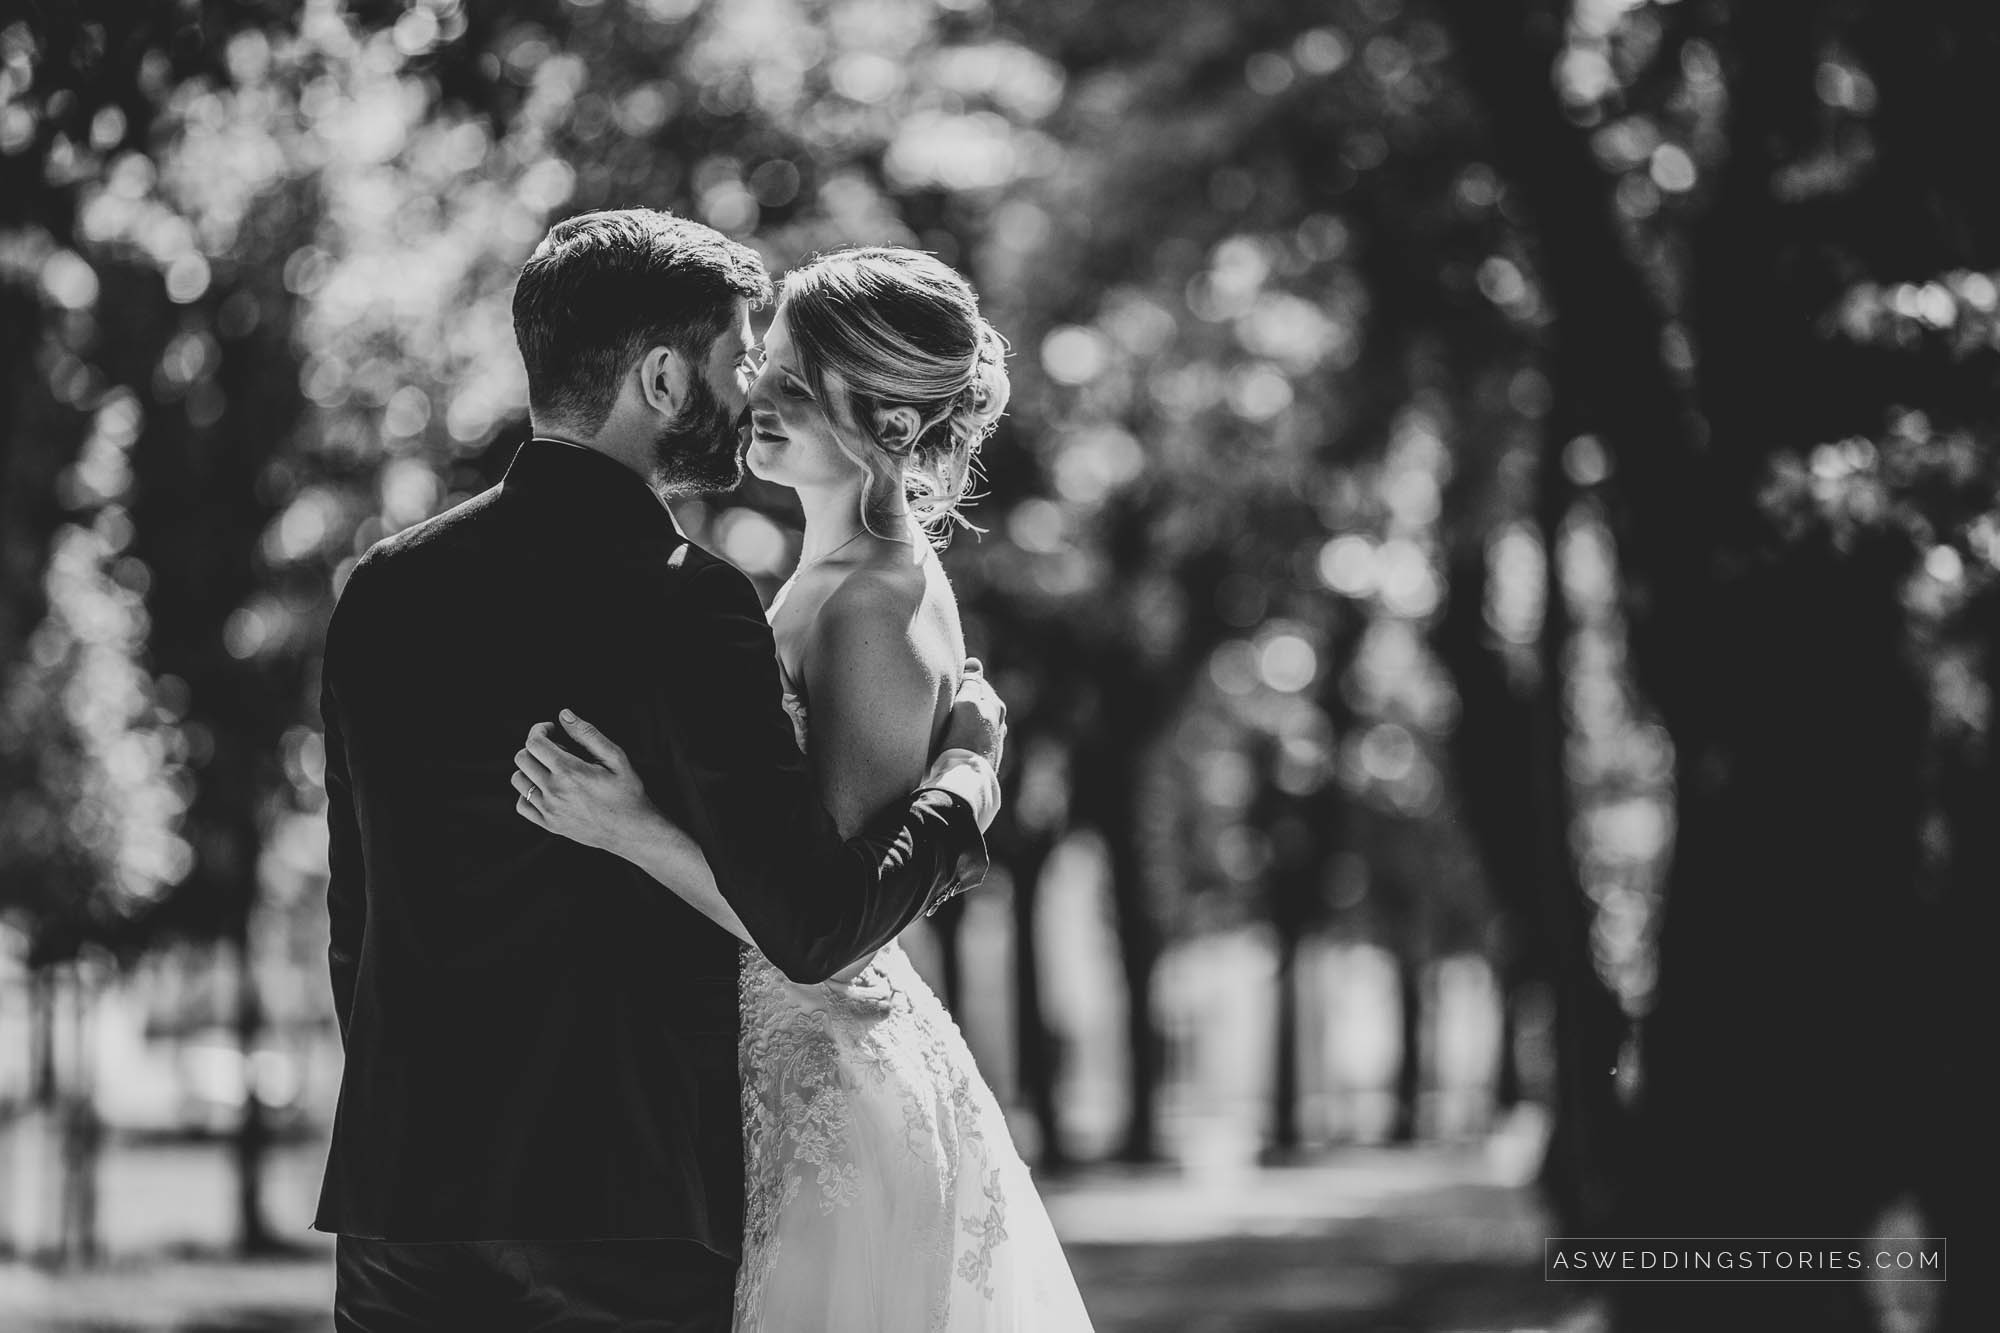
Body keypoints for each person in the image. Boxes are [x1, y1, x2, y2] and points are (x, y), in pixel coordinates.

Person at [316, 210, 1006, 1332]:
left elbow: (357, 911)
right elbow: (815, 919)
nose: (752, 393)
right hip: (618, 1198)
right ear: (659, 379)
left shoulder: (383, 586)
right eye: (742, 361)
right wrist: (968, 774)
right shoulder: (690, 603)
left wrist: (420, 1102)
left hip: (400, 1188)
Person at [517, 247, 1096, 1331]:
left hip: (822, 1079)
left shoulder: (871, 602)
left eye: (794, 382)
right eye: (763, 366)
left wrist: (630, 829)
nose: (754, 396)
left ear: (888, 423)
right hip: (766, 1067)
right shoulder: (822, 576)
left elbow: (824, 925)